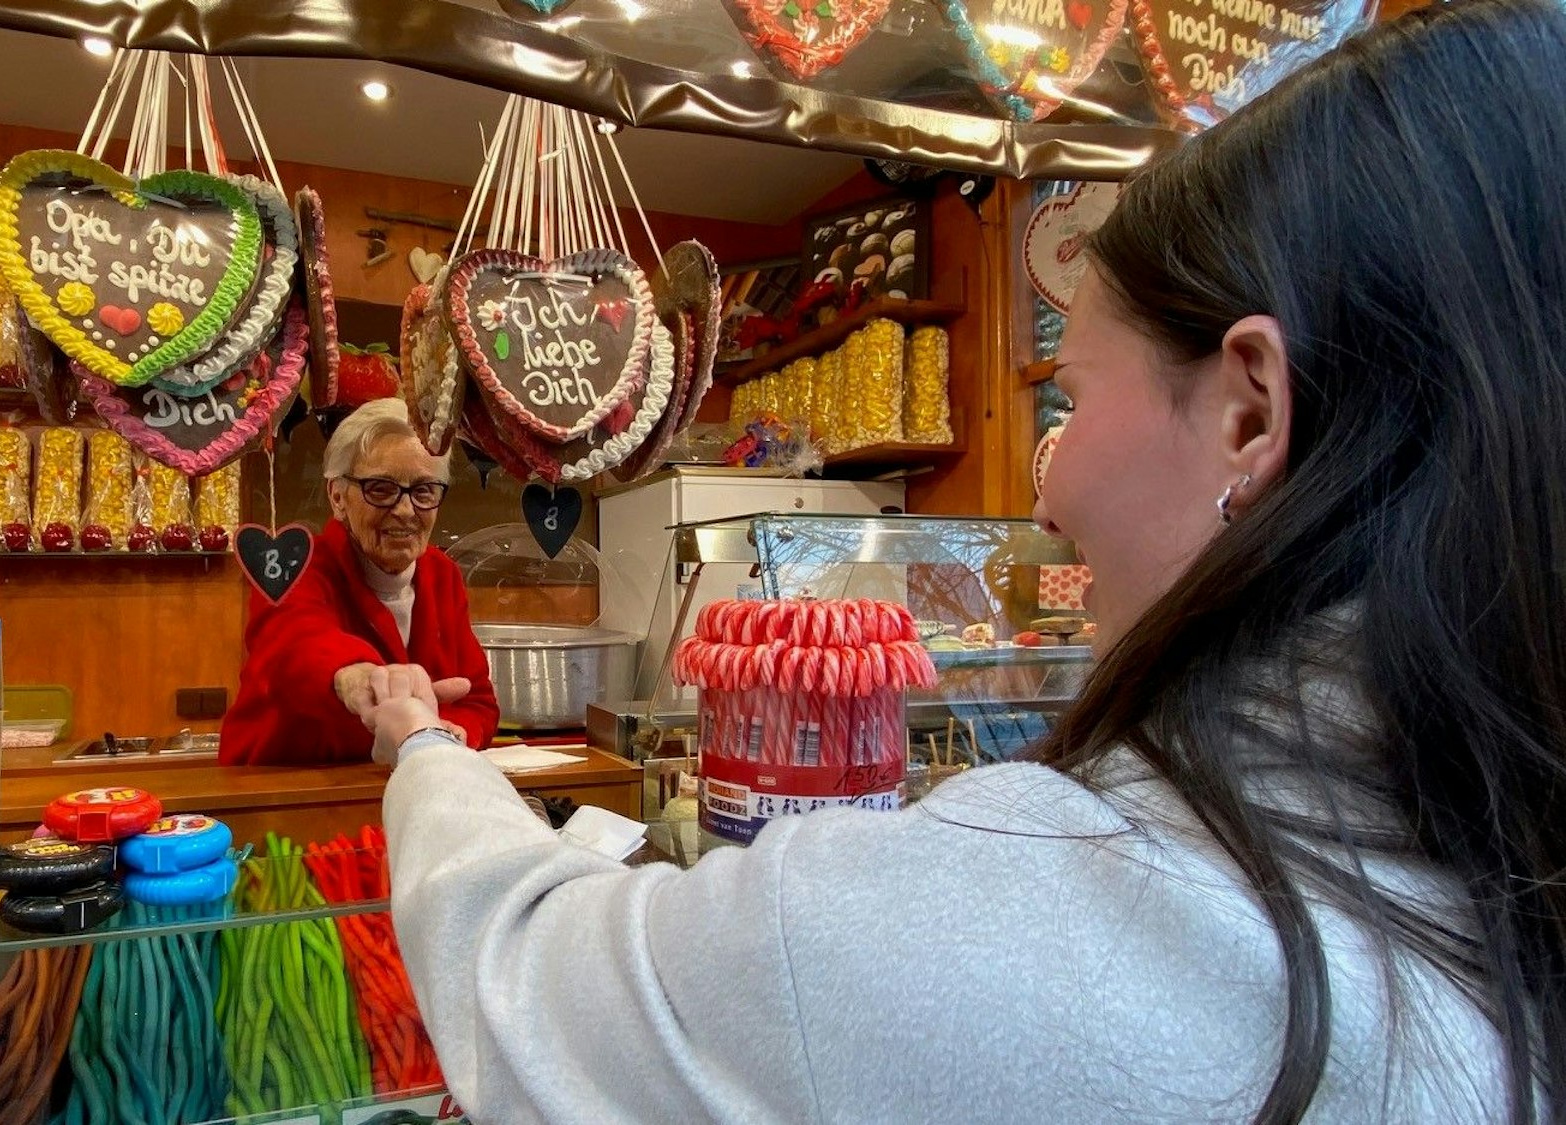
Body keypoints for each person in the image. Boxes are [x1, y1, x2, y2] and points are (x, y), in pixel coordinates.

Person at [361, 5, 1563, 1121]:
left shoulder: (1018, 916)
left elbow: (526, 985)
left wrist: (422, 752)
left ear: (1249, 414)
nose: (1050, 481)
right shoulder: (1487, 870)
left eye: (1074, 398)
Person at [219, 399, 496, 765]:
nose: (405, 509)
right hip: (286, 793)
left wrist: (452, 733)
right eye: (380, 489)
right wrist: (355, 676)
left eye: (424, 490)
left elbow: (476, 702)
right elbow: (293, 642)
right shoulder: (294, 565)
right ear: (338, 497)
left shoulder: (442, 573)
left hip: (399, 792)